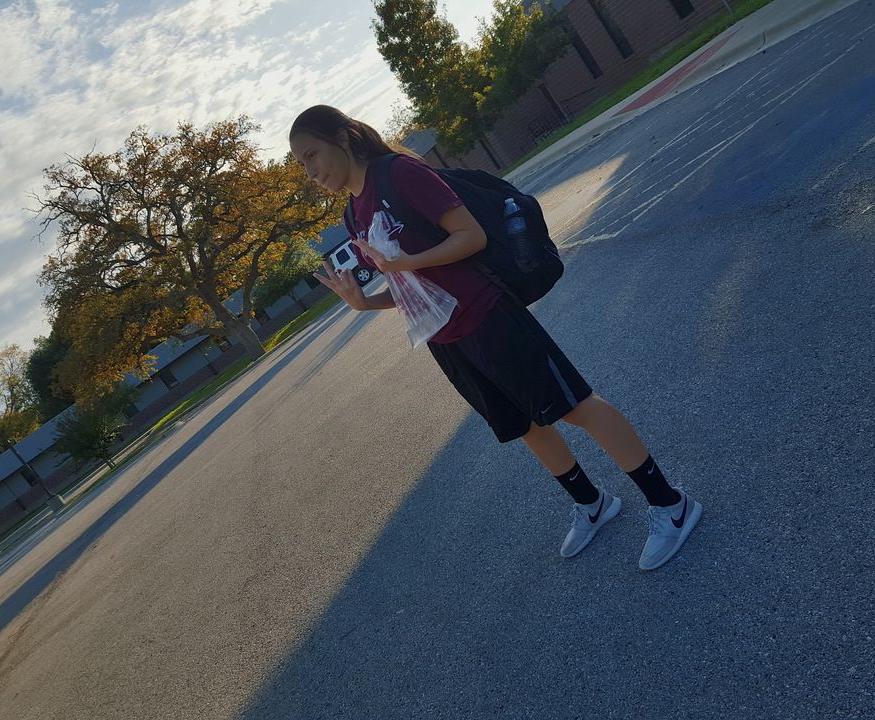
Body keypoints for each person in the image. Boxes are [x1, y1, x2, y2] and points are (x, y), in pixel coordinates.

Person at [289, 105, 702, 570]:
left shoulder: (399, 174)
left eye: (311, 155)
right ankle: (593, 503)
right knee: (523, 425)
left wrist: (402, 263)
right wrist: (366, 303)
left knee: (574, 406)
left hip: (488, 314)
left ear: (343, 139)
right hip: (445, 338)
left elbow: (472, 237)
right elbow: (410, 288)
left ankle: (670, 503)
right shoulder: (352, 215)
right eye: (301, 164)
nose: (309, 171)